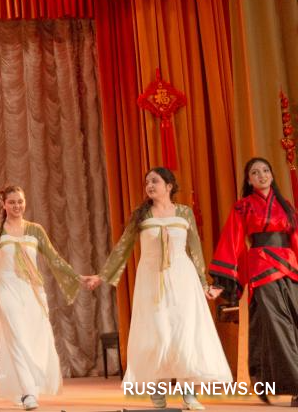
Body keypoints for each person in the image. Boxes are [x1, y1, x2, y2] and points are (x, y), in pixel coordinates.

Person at [94, 167, 231, 411]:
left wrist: (203, 282)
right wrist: (102, 276)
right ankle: (157, 394)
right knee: (157, 335)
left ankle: (189, 395)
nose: (149, 185)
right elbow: (123, 247)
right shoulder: (142, 215)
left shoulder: (184, 213)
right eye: (147, 181)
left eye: (155, 181)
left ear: (168, 186)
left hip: (183, 280)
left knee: (184, 335)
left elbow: (195, 250)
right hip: (151, 281)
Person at [0, 185, 90, 411]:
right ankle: (28, 392)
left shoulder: (35, 230)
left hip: (32, 291)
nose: (17, 206)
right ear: (3, 204)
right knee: (16, 338)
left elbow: (54, 258)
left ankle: (26, 388)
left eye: (20, 201)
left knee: (32, 339)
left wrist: (76, 277)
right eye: (12, 202)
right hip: (6, 288)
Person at [208, 157, 298, 407]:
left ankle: (267, 381)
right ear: (249, 180)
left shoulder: (286, 205)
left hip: (290, 268)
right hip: (261, 268)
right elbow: (231, 242)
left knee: (291, 323)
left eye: (266, 170)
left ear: (272, 174)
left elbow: (295, 237)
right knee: (278, 325)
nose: (262, 175)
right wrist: (221, 282)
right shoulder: (243, 207)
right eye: (255, 173)